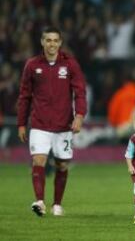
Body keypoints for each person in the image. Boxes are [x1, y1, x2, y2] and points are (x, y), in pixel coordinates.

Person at [17, 27, 87, 217]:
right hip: (39, 124)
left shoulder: (70, 64)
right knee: (38, 160)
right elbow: (24, 96)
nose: (52, 44)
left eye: (55, 40)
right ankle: (39, 202)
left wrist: (79, 115)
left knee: (62, 165)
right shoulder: (32, 65)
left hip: (64, 125)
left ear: (60, 43)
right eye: (48, 40)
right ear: (42, 42)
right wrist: (21, 123)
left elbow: (80, 92)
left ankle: (57, 204)